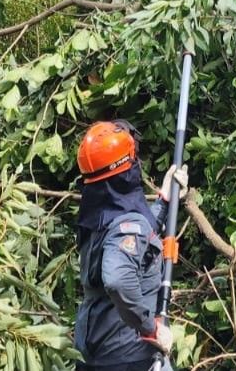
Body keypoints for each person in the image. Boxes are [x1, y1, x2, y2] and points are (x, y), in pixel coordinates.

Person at [74, 120, 188, 371]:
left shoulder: (97, 215)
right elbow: (117, 279)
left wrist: (165, 200)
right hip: (128, 356)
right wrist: (151, 329)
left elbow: (135, 234)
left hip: (97, 350)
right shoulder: (125, 224)